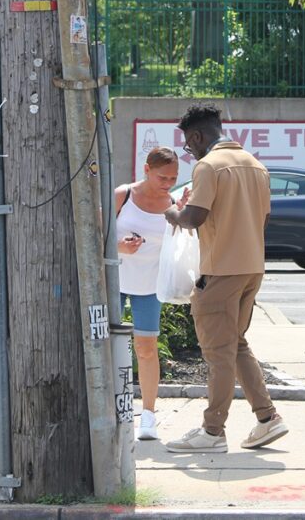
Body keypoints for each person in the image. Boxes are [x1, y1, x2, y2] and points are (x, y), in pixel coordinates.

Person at [162, 103, 288, 453]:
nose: (190, 152)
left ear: (198, 136)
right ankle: (267, 418)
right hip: (252, 267)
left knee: (217, 352)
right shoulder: (255, 165)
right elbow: (262, 219)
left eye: (189, 145)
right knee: (236, 345)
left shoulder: (209, 166)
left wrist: (172, 211)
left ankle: (212, 431)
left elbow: (193, 218)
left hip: (219, 271)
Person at [114, 146, 183, 441]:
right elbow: (93, 232)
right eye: (162, 177)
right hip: (114, 281)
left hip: (150, 285)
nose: (167, 183)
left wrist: (185, 215)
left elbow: (183, 244)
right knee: (108, 348)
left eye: (173, 178)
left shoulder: (174, 202)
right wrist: (119, 246)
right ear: (146, 169)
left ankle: (149, 415)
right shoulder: (123, 195)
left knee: (146, 348)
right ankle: (113, 410)